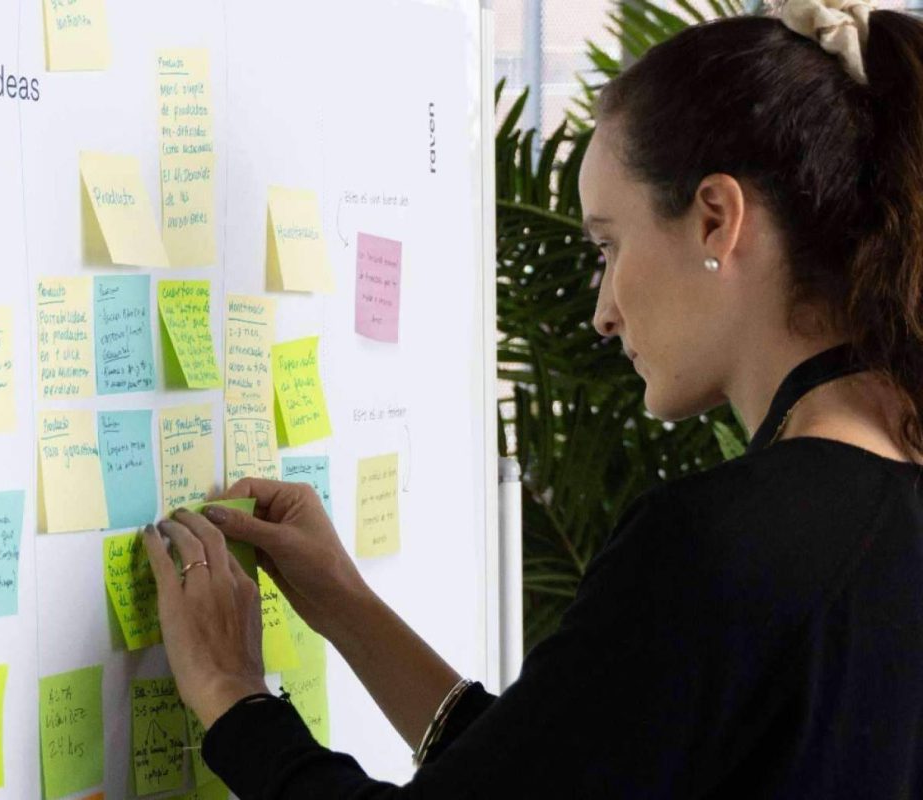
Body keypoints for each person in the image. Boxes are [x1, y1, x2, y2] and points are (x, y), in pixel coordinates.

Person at [143, 1, 923, 795]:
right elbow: (552, 768)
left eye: (609, 245)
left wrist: (233, 697)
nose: (602, 311)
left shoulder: (722, 547)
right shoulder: (880, 513)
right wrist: (346, 605)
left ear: (715, 220)